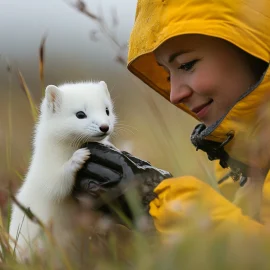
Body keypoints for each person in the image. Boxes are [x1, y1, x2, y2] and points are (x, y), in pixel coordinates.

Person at [75, 0, 270, 236]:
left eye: (186, 65)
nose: (175, 95)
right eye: (168, 75)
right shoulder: (241, 163)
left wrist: (160, 201)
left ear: (254, 45)